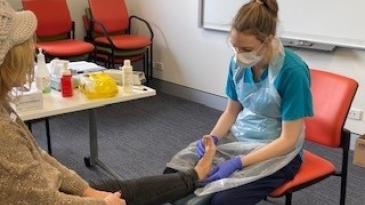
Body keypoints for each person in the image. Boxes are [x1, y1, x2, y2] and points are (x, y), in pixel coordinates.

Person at [0, 1, 217, 205]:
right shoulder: (3, 132)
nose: (34, 49)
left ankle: (194, 176)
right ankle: (194, 177)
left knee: (124, 190)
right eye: (25, 44)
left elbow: (39, 156)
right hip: (51, 197)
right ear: (7, 59)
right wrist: (100, 202)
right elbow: (45, 201)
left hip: (52, 191)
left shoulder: (4, 106)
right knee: (123, 195)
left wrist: (87, 191)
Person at [165, 0, 313, 204]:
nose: (239, 54)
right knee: (173, 176)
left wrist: (238, 163)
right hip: (239, 137)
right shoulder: (238, 63)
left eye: (246, 48)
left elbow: (288, 140)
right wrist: (213, 138)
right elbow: (231, 112)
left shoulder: (292, 71)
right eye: (235, 47)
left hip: (276, 150)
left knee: (222, 199)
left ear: (268, 40)